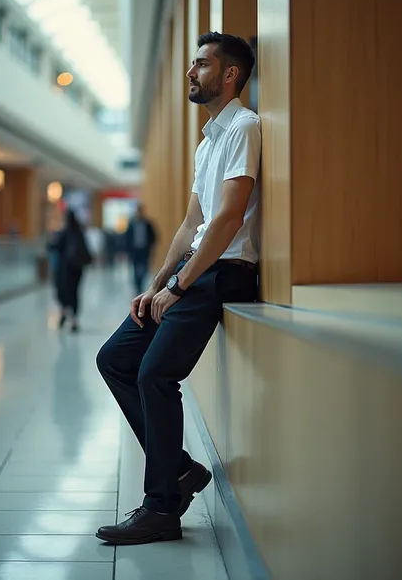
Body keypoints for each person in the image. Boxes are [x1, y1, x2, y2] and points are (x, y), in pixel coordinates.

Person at [96, 31, 261, 545]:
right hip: (197, 268)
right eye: (192, 65)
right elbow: (192, 222)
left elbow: (229, 218)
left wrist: (182, 285)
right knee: (115, 359)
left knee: (154, 374)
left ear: (230, 74)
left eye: (201, 65)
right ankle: (183, 470)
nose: (191, 73)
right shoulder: (208, 140)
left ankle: (163, 507)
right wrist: (157, 285)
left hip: (224, 271)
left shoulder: (244, 127)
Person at [54, 209, 92, 333]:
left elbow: (56, 247)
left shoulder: (64, 233)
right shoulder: (79, 232)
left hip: (65, 269)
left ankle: (64, 311)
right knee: (75, 292)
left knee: (64, 291)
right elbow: (86, 249)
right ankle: (74, 319)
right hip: (77, 269)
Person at [125, 204, 157, 294]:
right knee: (135, 269)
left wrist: (151, 247)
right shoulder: (131, 224)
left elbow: (154, 236)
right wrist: (127, 251)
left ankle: (141, 284)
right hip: (134, 251)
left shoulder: (147, 224)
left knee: (144, 269)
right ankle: (137, 286)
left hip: (144, 251)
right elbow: (127, 238)